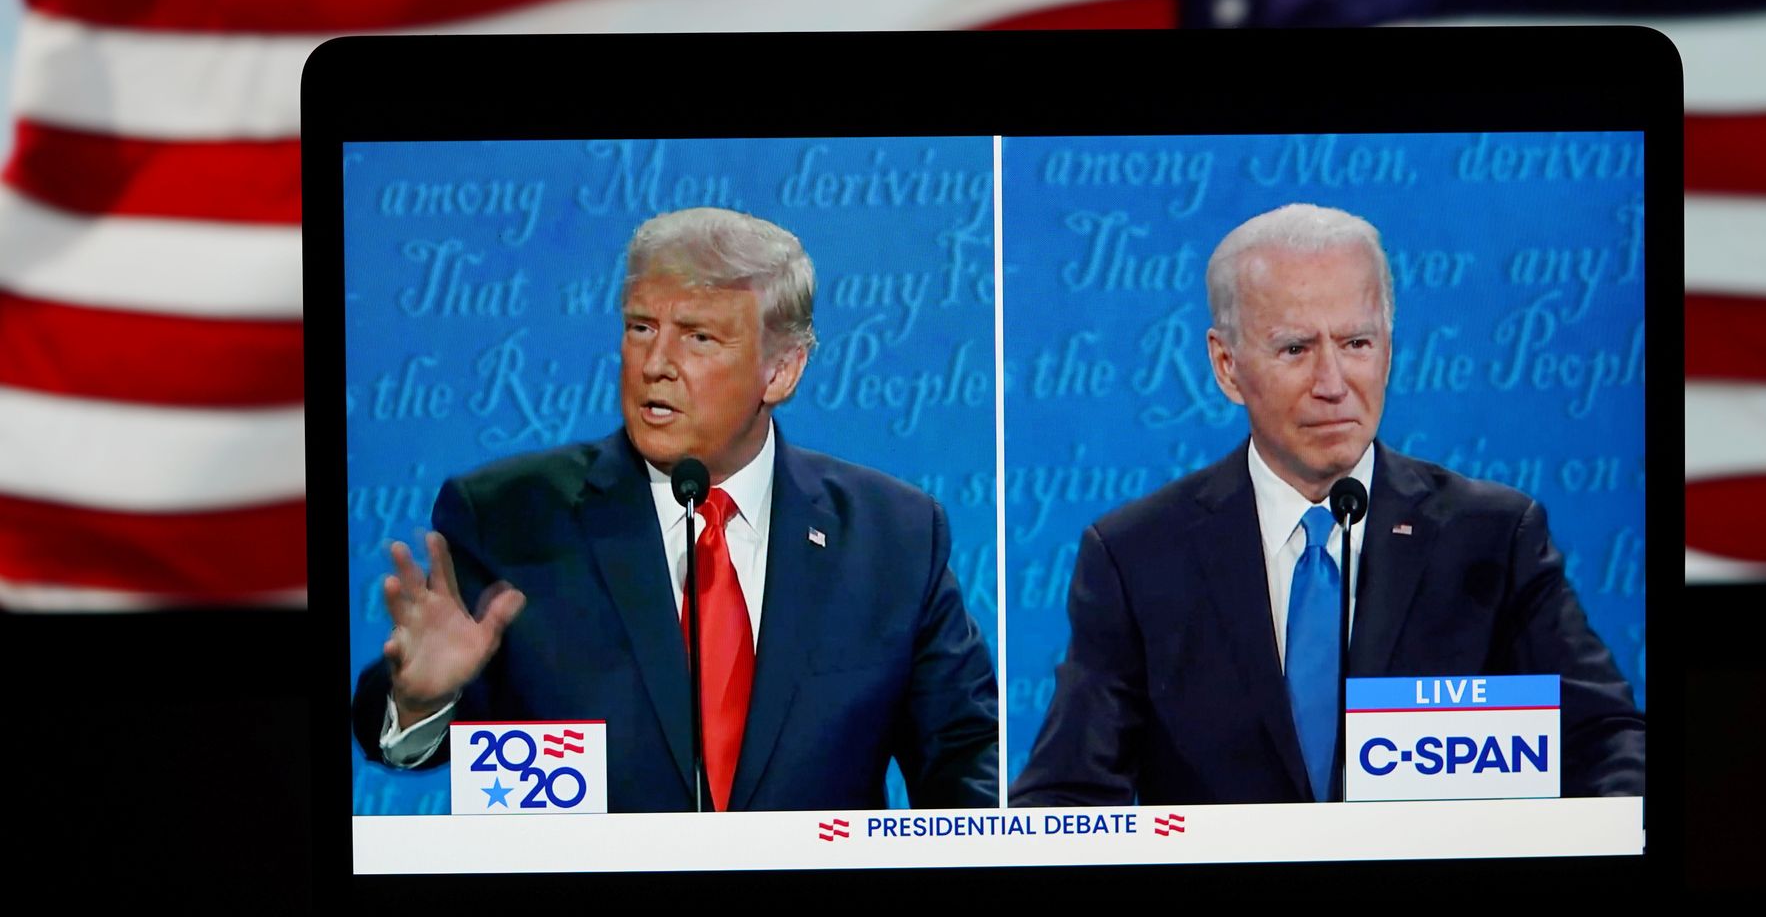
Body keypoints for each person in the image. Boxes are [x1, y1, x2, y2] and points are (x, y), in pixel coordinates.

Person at [352, 207, 998, 812]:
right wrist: (419, 701)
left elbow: (964, 758)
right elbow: (406, 745)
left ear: (781, 372)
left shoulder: (893, 535)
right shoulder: (510, 518)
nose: (655, 364)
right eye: (640, 328)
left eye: (698, 337)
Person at [1011, 204, 1644, 806]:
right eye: (1295, 349)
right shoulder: (1137, 557)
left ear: (1389, 350)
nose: (1333, 384)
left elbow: (1608, 743)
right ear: (1227, 367)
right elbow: (1068, 794)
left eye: (1357, 344)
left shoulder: (1493, 539)